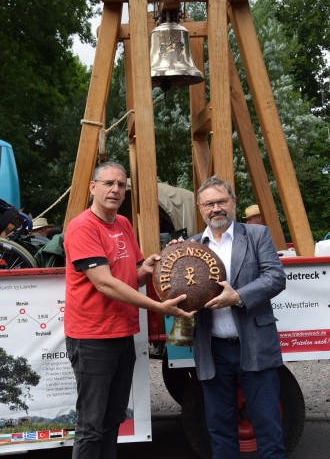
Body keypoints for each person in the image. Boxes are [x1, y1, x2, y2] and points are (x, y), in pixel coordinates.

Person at [64, 161, 193, 459]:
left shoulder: (122, 223)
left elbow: (131, 277)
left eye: (121, 185)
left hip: (122, 334)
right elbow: (105, 284)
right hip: (92, 339)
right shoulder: (83, 226)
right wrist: (157, 306)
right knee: (91, 425)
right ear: (93, 188)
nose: (115, 189)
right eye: (109, 183)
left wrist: (148, 267)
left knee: (113, 421)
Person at [190, 176, 287, 458]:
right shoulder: (192, 246)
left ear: (233, 202)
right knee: (219, 431)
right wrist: (169, 256)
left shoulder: (257, 235)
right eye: (209, 204)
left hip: (255, 345)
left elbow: (275, 278)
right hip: (213, 350)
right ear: (200, 208)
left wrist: (238, 297)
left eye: (221, 201)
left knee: (268, 428)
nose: (216, 208)